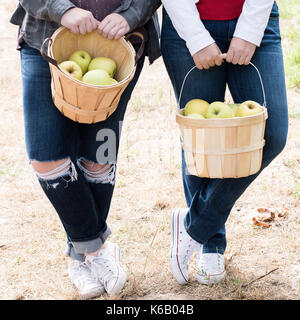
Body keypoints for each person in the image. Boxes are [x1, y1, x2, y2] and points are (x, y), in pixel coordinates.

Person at [10, 0, 161, 299]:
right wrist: (62, 9)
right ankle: (96, 247)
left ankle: (80, 257)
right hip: (45, 41)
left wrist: (131, 14)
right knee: (45, 156)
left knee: (99, 159)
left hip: (120, 45)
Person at [161, 0, 288, 285]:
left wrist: (249, 31)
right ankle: (211, 246)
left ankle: (193, 226)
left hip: (256, 17)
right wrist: (195, 36)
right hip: (188, 22)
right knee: (202, 139)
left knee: (272, 134)